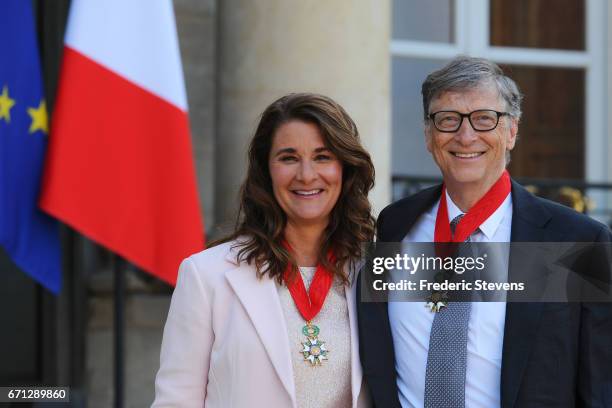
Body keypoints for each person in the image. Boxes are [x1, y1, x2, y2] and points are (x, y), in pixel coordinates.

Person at [358, 56, 612, 407]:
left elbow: (600, 387)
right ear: (429, 135)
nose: (465, 136)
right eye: (448, 120)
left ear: (511, 132)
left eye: (484, 119)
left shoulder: (577, 242)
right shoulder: (395, 225)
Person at [153, 93, 375, 407]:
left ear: (345, 167)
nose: (306, 175)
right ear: (265, 170)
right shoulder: (206, 275)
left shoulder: (378, 269)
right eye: (288, 158)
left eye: (323, 156)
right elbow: (176, 401)